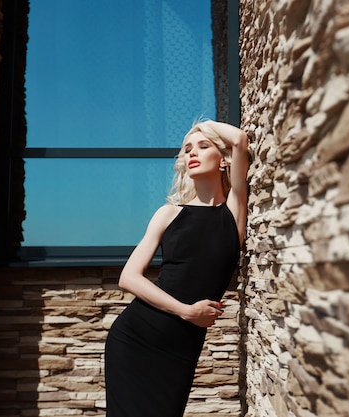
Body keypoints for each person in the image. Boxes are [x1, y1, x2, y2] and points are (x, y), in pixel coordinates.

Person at [104, 120, 249, 417]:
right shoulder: (168, 213)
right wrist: (186, 311)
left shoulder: (233, 212)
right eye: (186, 149)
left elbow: (240, 140)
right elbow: (128, 277)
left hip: (181, 346)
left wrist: (204, 124)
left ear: (224, 161)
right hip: (135, 337)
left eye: (203, 146)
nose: (192, 153)